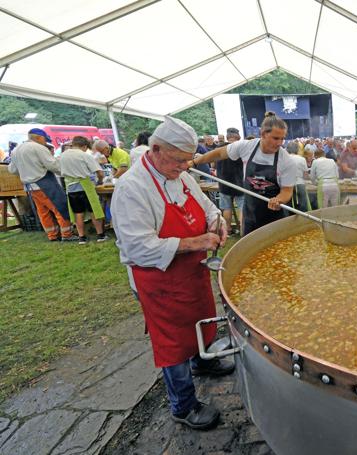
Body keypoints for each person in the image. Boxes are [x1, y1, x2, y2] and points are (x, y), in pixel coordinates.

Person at [111, 116, 233, 430]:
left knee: (199, 322)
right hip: (158, 282)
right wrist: (195, 241)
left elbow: (207, 206)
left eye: (187, 161)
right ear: (155, 148)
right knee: (173, 344)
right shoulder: (131, 188)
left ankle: (202, 362)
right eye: (178, 160)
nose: (183, 167)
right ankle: (183, 405)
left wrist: (217, 221)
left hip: (191, 274)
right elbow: (138, 247)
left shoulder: (180, 174)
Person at [191, 112, 297, 235]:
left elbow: (287, 191)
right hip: (250, 210)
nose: (280, 143)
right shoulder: (247, 147)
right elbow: (219, 153)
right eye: (275, 138)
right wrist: (194, 162)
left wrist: (279, 200)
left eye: (282, 138)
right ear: (262, 134)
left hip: (274, 215)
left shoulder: (286, 161)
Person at [8, 128, 75, 241]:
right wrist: (67, 173)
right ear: (39, 137)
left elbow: (12, 170)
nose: (45, 143)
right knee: (60, 208)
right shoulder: (39, 148)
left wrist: (26, 170)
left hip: (30, 187)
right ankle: (67, 234)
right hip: (44, 183)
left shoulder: (16, 150)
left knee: (43, 212)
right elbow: (52, 165)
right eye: (45, 140)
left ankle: (52, 235)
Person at [60, 136, 107, 244]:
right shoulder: (84, 155)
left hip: (71, 188)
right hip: (85, 186)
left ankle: (82, 237)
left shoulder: (62, 156)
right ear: (84, 146)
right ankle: (100, 235)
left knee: (78, 213)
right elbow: (99, 172)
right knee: (93, 211)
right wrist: (100, 181)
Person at [215, 128, 244, 234]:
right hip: (239, 183)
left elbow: (213, 165)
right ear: (238, 137)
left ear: (227, 137)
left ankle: (228, 229)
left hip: (224, 183)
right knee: (242, 207)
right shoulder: (241, 148)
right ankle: (242, 229)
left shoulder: (218, 148)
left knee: (226, 207)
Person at [287, 141, 310, 211]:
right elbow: (305, 175)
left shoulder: (283, 158)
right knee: (303, 207)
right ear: (297, 149)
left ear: (287, 149)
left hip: (287, 185)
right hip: (300, 184)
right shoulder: (302, 159)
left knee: (290, 207)